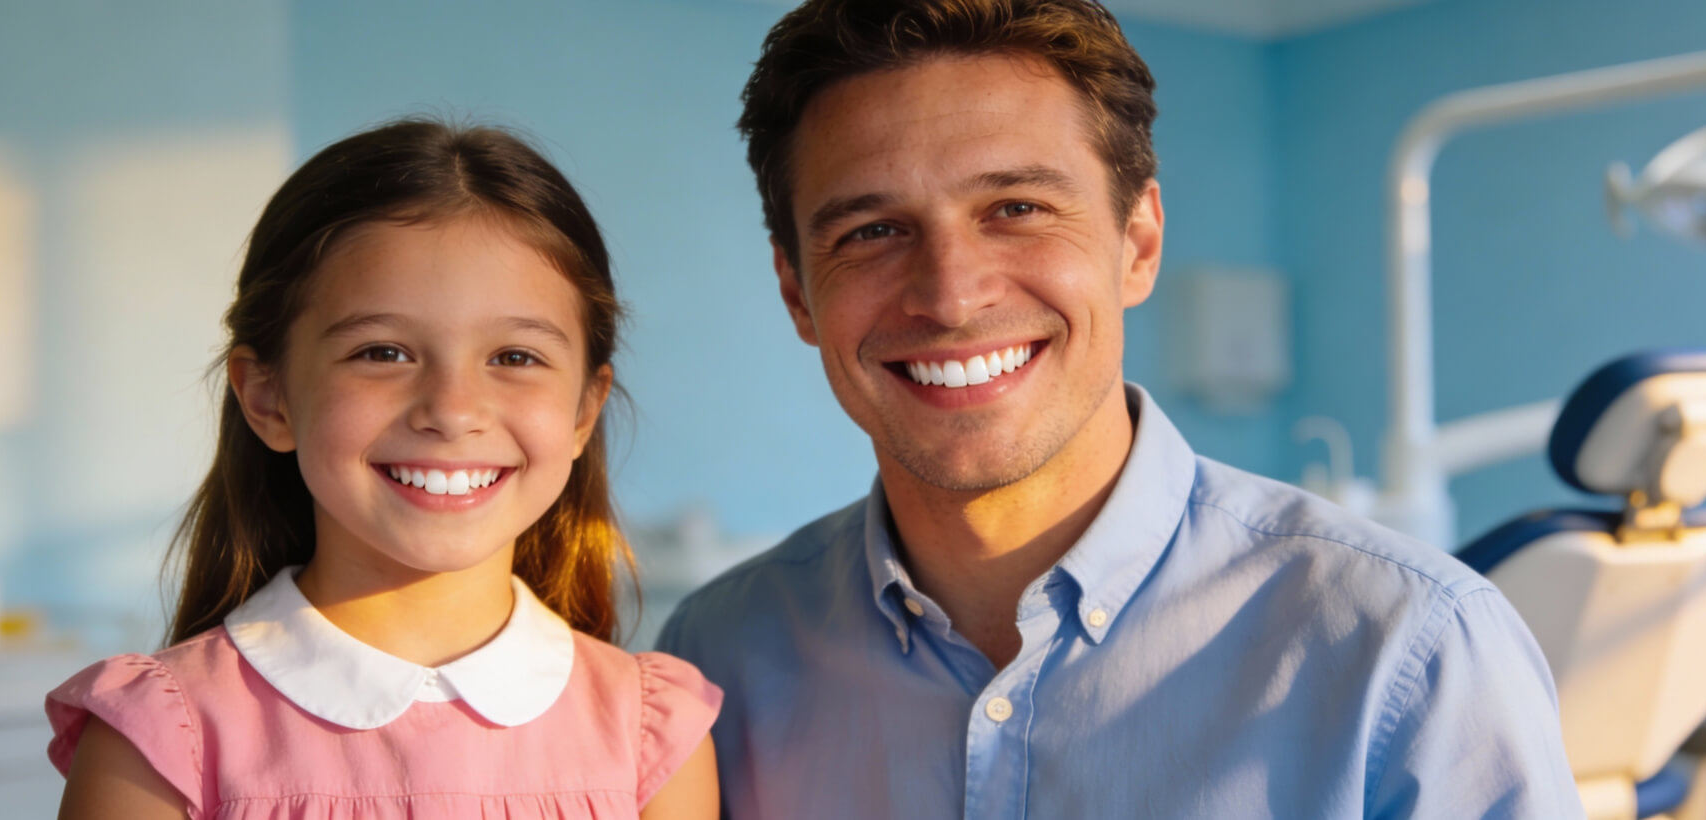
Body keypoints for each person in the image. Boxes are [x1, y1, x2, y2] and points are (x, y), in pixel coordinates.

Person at [656, 1, 1580, 817]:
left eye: (1015, 207)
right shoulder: (717, 657)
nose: (950, 295)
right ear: (796, 290)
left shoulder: (1407, 649)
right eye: (872, 232)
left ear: (1137, 243)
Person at [46, 119, 720, 820]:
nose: (453, 411)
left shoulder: (654, 736)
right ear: (267, 396)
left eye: (515, 357)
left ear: (584, 410)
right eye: (383, 353)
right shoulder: (159, 740)